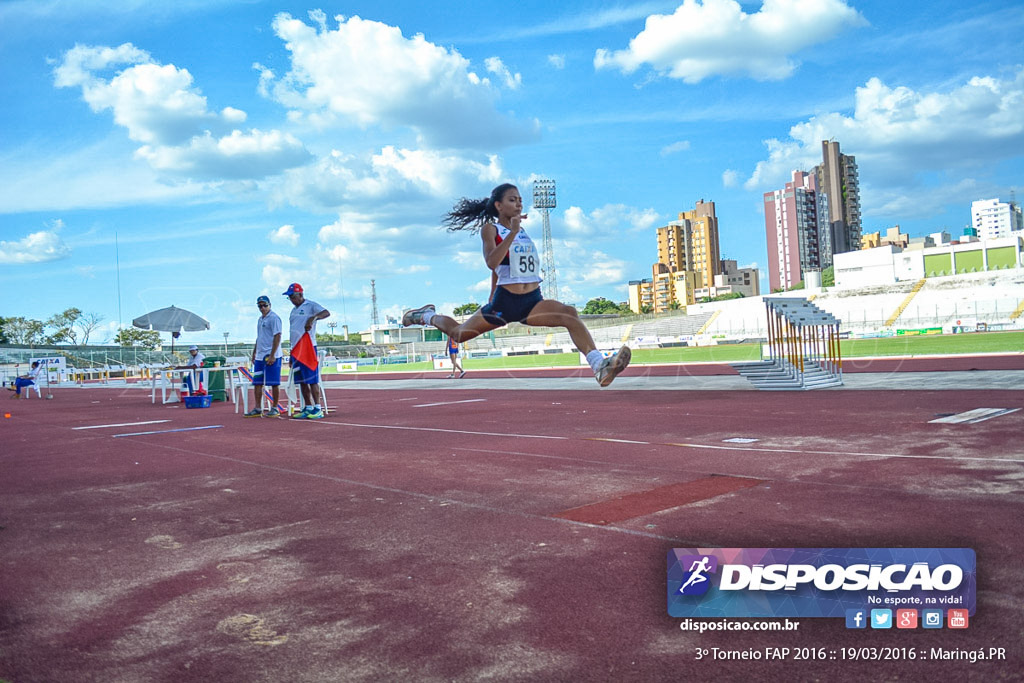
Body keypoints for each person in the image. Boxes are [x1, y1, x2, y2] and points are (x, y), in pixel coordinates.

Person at [402, 183, 631, 386]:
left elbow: (506, 267)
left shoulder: (522, 231)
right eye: (513, 199)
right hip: (505, 302)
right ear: (499, 205)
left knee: (569, 314)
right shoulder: (492, 229)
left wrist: (514, 234)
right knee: (459, 334)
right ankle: (425, 316)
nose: (519, 203)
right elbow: (492, 262)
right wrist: (510, 235)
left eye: (520, 199)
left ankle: (599, 366)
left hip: (532, 301)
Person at [283, 283, 331, 419]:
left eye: (293, 296)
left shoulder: (311, 305)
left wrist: (313, 317)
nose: (291, 300)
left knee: (312, 379)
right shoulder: (293, 311)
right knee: (302, 381)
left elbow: (326, 312)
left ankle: (317, 407)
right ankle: (308, 407)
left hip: (308, 347)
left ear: (300, 295)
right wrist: (292, 354)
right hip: (296, 349)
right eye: (289, 298)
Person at [245, 295, 284, 417]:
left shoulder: (274, 318)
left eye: (264, 305)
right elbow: (259, 337)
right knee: (257, 382)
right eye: (260, 306)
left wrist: (272, 355)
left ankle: (275, 407)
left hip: (272, 355)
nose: (262, 308)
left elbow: (277, 336)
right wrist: (254, 352)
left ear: (270, 305)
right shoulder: (260, 319)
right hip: (260, 356)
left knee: (273, 382)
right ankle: (258, 408)